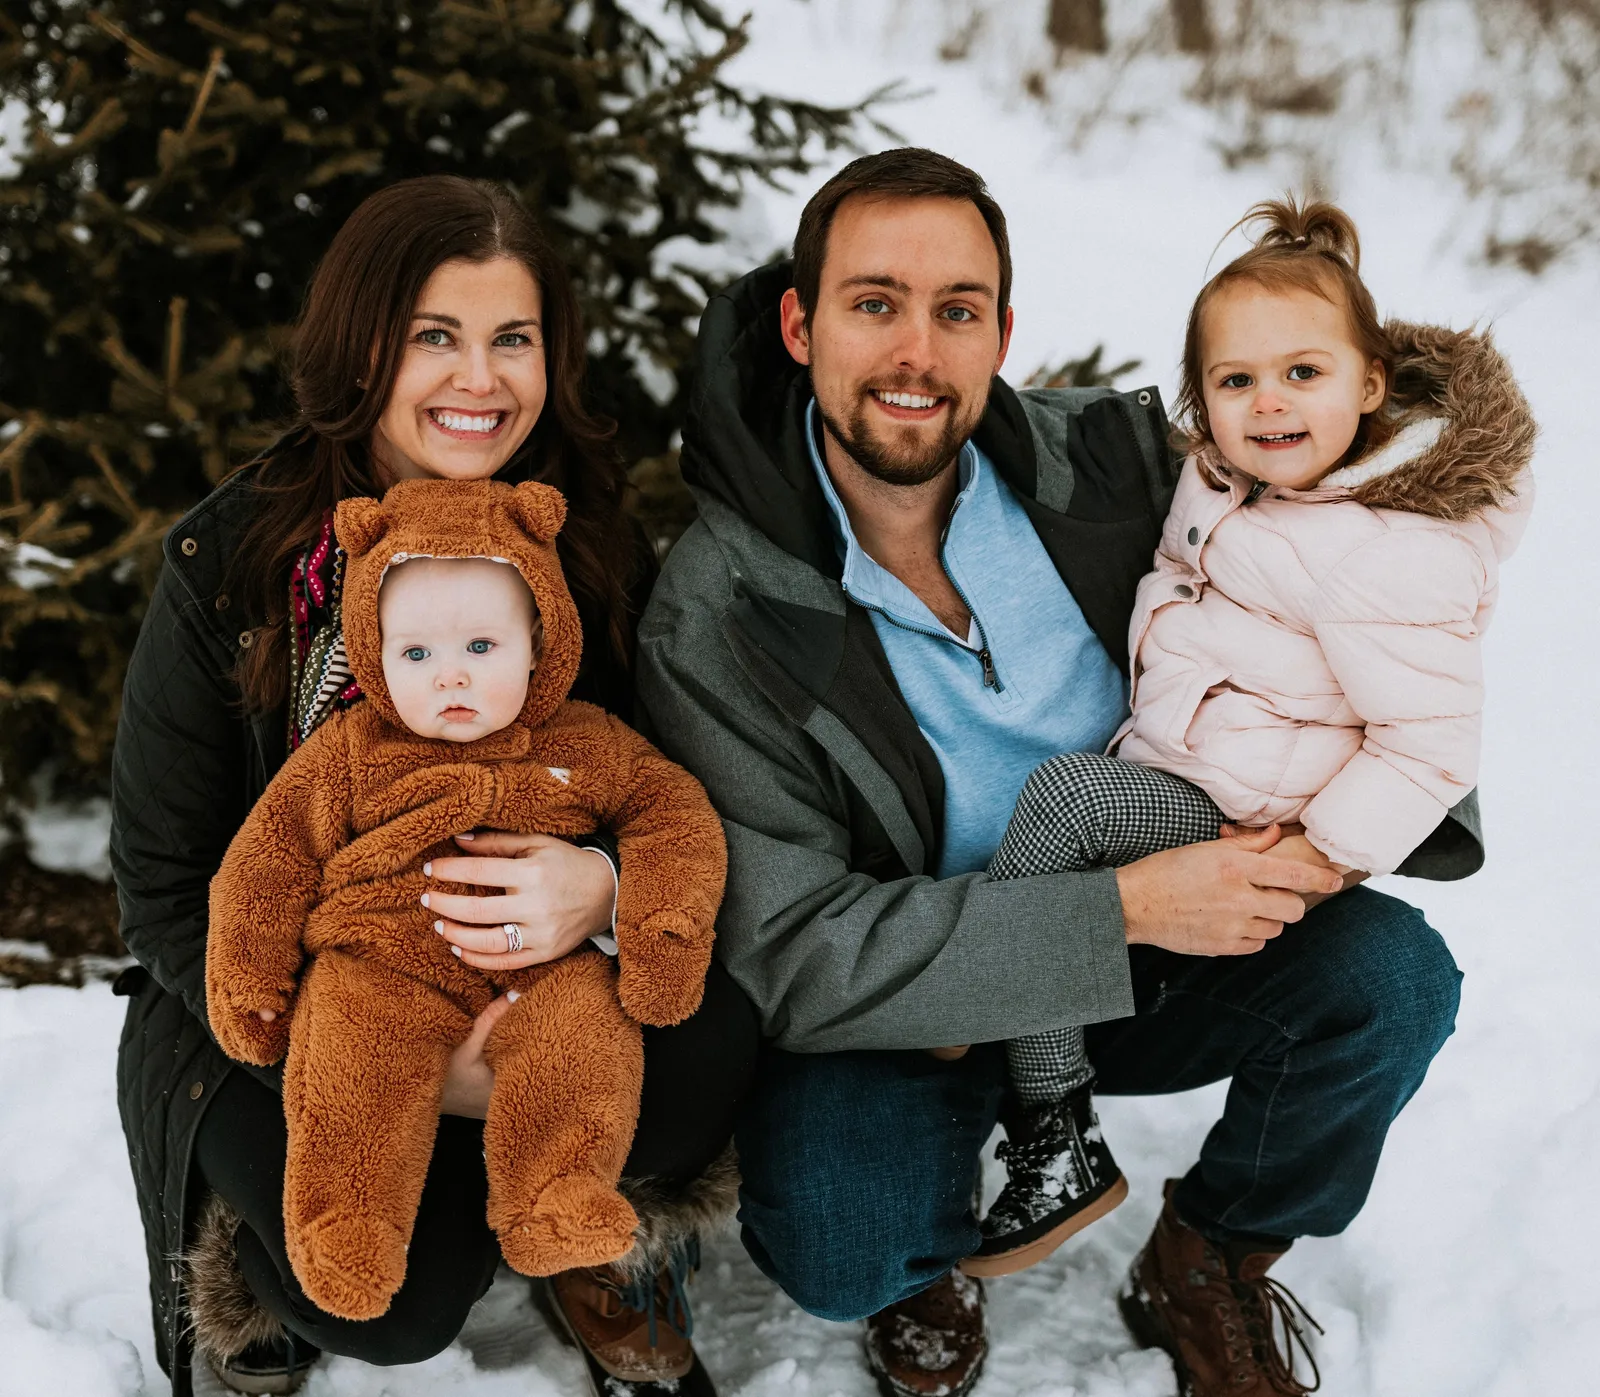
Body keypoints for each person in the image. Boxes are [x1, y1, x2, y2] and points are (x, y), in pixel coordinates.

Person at [635, 147, 1474, 1397]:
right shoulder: (718, 609)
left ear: (1001, 332)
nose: (918, 350)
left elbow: (1354, 496)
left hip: (1145, 953)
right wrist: (1120, 907)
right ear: (800, 326)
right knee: (843, 1238)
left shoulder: (1126, 475)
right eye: (875, 303)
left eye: (957, 309)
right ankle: (928, 1254)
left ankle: (1210, 1251)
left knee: (1389, 980)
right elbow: (799, 951)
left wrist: (1310, 834)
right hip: (900, 1005)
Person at [111, 176, 755, 1397]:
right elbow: (159, 888)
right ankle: (279, 1249)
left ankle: (562, 1207)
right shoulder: (233, 566)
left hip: (538, 975)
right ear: (362, 345)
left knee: (711, 1041)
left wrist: (602, 889)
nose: (481, 379)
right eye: (433, 337)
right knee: (397, 1306)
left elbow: (663, 790)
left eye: (512, 338)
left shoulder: (582, 543)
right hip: (287, 994)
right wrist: (340, 1039)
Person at [967, 196, 1533, 1282]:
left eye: (1303, 374)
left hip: (1248, 813)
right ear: (1202, 400)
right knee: (1058, 839)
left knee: (1067, 805)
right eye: (1235, 381)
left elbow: (1428, 747)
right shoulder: (1228, 479)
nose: (1267, 402)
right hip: (1194, 768)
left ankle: (1052, 1123)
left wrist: (1315, 858)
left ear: (1370, 384)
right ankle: (1013, 1089)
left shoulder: (1395, 550)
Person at [205, 476, 726, 1320]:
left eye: (480, 647)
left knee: (586, 1042)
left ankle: (552, 1196)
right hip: (384, 963)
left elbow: (676, 817)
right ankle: (345, 1223)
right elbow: (268, 859)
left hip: (546, 968)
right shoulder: (349, 752)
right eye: (416, 655)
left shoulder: (590, 743)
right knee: (348, 1062)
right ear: (373, 651)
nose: (450, 676)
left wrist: (659, 928)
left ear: (538, 641)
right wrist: (249, 974)